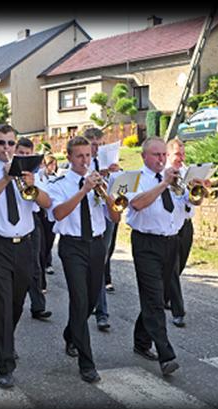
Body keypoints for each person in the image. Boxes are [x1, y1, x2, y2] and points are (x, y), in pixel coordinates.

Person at [0, 125, 52, 389]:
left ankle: (7, 339)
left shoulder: (31, 171)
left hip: (25, 245)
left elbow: (47, 204)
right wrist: (5, 178)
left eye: (11, 143)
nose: (6, 148)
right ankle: (5, 364)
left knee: (16, 304)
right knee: (2, 303)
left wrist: (33, 186)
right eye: (1, 143)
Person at [47, 135, 121, 383]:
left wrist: (108, 195)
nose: (84, 160)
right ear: (68, 157)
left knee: (89, 301)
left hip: (97, 244)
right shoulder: (59, 183)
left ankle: (71, 333)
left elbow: (116, 217)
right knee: (79, 300)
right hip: (72, 247)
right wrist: (84, 190)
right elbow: (58, 213)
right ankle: (87, 363)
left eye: (88, 155)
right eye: (79, 156)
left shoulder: (100, 181)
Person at [126, 136, 187, 376]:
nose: (161, 159)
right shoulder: (135, 179)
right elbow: (137, 204)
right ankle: (166, 354)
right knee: (153, 298)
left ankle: (141, 340)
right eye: (156, 155)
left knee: (159, 296)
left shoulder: (175, 178)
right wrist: (163, 184)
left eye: (163, 155)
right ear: (144, 157)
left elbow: (186, 208)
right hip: (146, 243)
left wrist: (197, 193)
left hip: (171, 242)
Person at [162, 138, 209, 328]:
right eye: (177, 154)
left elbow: (197, 198)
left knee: (179, 265)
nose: (181, 157)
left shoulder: (188, 171)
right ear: (168, 155)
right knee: (172, 267)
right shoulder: (163, 173)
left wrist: (203, 187)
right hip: (170, 225)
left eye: (183, 153)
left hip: (187, 223)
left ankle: (164, 297)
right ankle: (178, 311)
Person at [84, 127, 122, 332]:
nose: (97, 148)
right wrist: (100, 174)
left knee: (100, 262)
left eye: (100, 144)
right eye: (94, 144)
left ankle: (101, 312)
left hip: (105, 217)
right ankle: (94, 310)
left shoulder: (105, 162)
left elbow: (119, 191)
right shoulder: (79, 164)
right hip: (84, 222)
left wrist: (115, 174)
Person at [14, 137, 53, 322]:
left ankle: (38, 306)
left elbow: (46, 202)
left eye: (28, 154)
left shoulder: (36, 175)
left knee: (35, 264)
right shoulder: (6, 172)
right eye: (20, 153)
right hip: (11, 222)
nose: (24, 156)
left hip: (33, 220)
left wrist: (32, 184)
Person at [38, 154, 59, 288]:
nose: (52, 167)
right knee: (40, 247)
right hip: (39, 215)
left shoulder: (55, 179)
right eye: (50, 164)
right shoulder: (39, 177)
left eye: (54, 164)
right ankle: (41, 282)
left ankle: (46, 263)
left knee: (48, 245)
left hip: (50, 217)